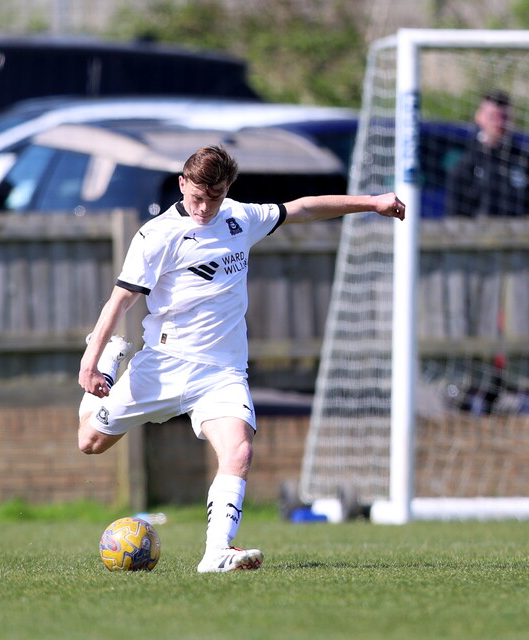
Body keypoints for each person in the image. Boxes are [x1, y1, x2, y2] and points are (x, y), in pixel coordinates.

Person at [76, 144, 405, 573]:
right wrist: (91, 358)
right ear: (182, 184)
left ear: (227, 189)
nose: (204, 207)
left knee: (239, 452)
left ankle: (216, 553)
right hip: (163, 364)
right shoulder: (155, 236)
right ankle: (110, 365)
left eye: (213, 197)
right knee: (90, 443)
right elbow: (119, 302)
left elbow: (302, 208)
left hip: (221, 373)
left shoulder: (240, 218)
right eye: (196, 197)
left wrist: (372, 203)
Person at [444, 90, 529, 218]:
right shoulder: (466, 164)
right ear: (479, 117)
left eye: (504, 117)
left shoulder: (523, 161)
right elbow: (455, 216)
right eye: (493, 117)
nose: (499, 123)